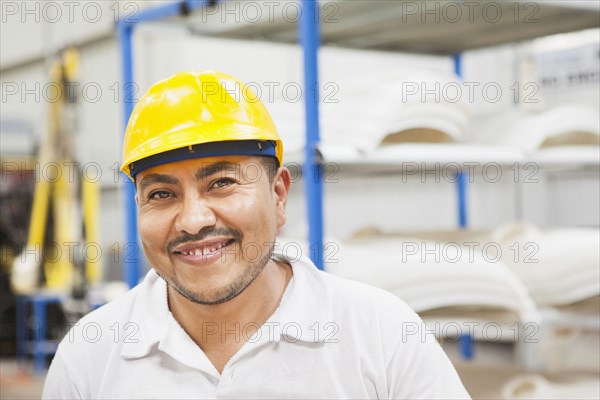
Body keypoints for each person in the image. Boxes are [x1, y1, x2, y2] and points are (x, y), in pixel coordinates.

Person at [43, 70, 470, 399]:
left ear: (279, 194)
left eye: (222, 182)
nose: (192, 221)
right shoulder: (91, 354)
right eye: (161, 193)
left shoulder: (379, 333)